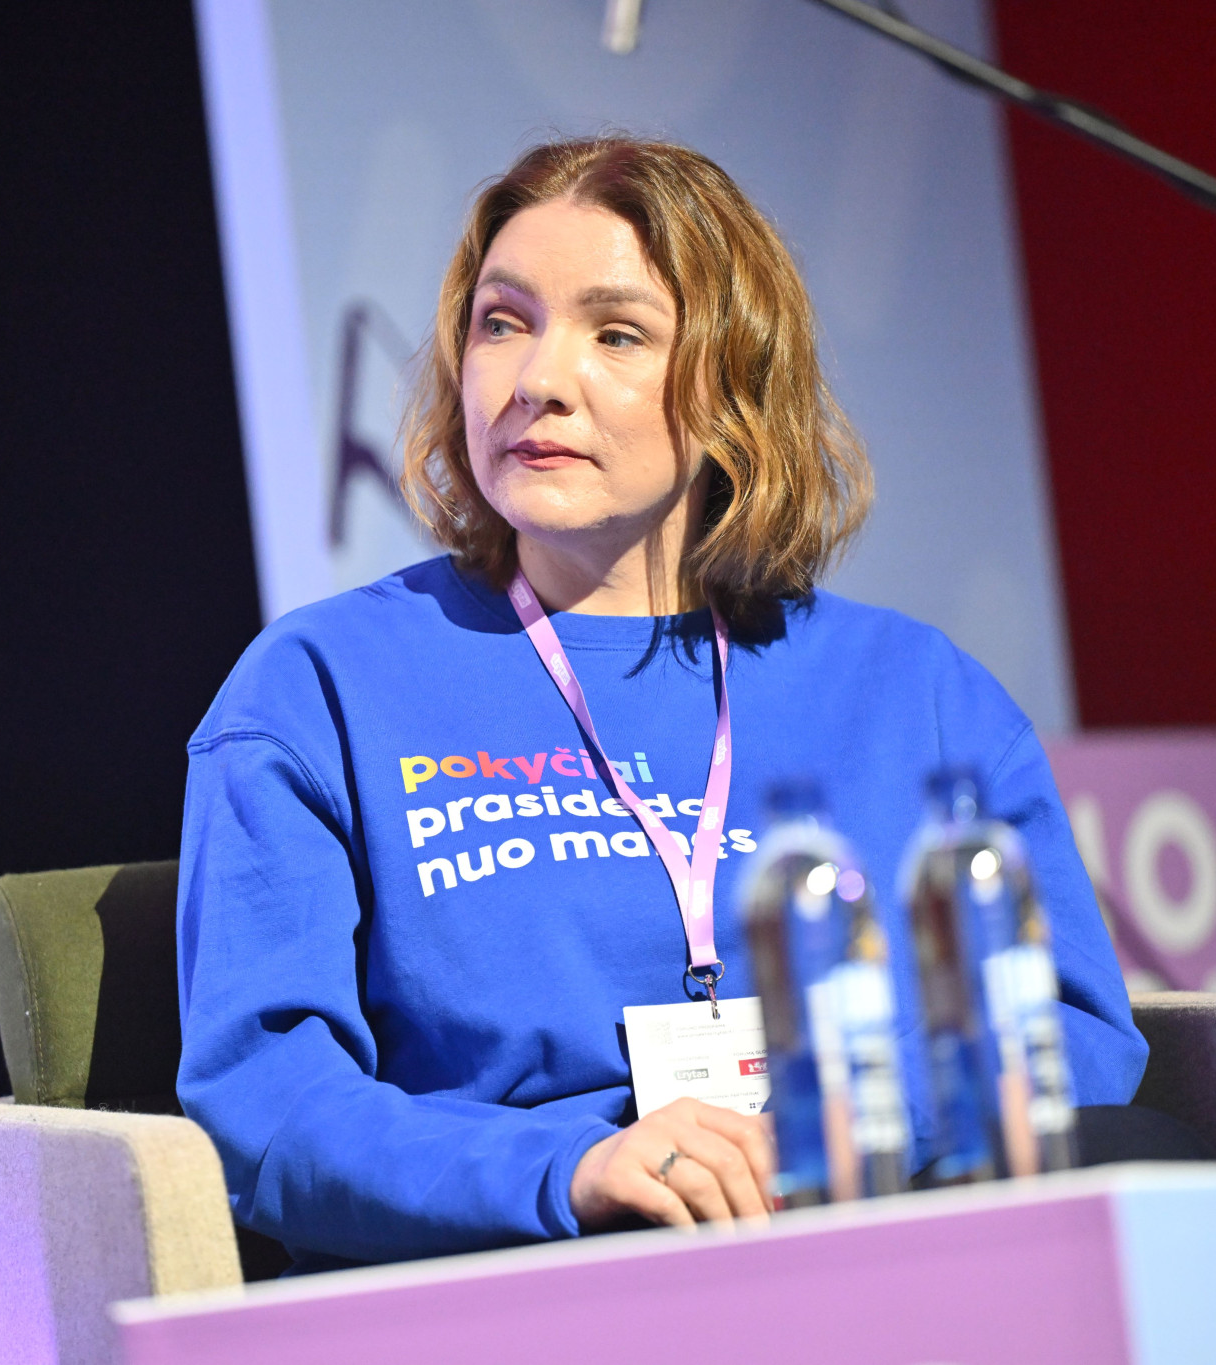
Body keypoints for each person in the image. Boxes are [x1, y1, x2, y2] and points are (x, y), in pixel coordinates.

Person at [176, 136, 1148, 1273]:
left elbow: (1074, 1035)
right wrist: (571, 1172)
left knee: (1156, 1161)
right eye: (503, 323)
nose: (539, 379)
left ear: (735, 381)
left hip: (881, 1237)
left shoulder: (917, 692)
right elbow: (267, 1102)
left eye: (616, 333)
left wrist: (832, 1134)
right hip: (530, 1268)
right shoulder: (320, 685)